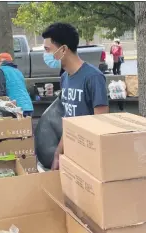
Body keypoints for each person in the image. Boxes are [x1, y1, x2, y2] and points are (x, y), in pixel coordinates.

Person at [41, 23, 109, 170]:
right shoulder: (65, 78)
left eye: (47, 50)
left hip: (89, 158)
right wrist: (58, 154)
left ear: (63, 49)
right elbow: (68, 121)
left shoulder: (93, 77)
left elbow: (102, 123)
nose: (45, 55)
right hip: (72, 155)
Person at [0, 53, 34, 117]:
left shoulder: (1, 69)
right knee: (26, 126)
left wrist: (0, 102)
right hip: (28, 105)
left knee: (14, 126)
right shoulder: (17, 71)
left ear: (0, 61)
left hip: (15, 108)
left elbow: (0, 88)